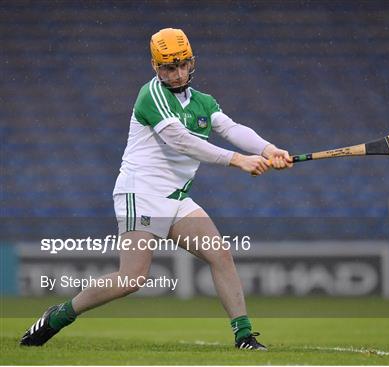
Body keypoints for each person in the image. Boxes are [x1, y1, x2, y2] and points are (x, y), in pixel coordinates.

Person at [20, 27, 293, 350]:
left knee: (220, 254)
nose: (177, 75)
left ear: (192, 63)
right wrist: (238, 161)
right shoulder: (151, 95)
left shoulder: (203, 102)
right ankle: (59, 315)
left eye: (182, 66)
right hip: (142, 193)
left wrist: (268, 149)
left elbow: (231, 128)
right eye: (168, 67)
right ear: (154, 66)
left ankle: (244, 335)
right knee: (132, 279)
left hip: (177, 198)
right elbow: (181, 141)